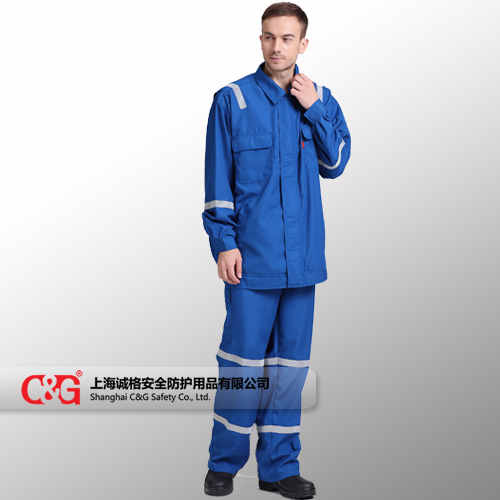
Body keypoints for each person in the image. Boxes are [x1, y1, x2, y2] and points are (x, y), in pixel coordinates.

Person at [201, 2, 351, 498]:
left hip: (302, 262)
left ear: (303, 44)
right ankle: (224, 463)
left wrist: (316, 109)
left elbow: (336, 163)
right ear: (260, 39)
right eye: (269, 36)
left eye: (287, 38)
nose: (276, 46)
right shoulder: (233, 100)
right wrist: (224, 243)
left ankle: (280, 468)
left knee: (289, 371)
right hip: (251, 259)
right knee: (241, 366)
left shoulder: (320, 99)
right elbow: (218, 179)